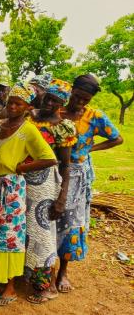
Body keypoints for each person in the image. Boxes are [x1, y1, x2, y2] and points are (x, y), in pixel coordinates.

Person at [0, 83, 57, 306]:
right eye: (11, 103)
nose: (13, 107)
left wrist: (21, 168)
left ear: (28, 106)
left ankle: (10, 287)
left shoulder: (28, 130)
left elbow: (49, 158)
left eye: (19, 103)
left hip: (12, 189)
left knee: (10, 237)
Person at [56, 74, 123, 293]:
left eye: (86, 99)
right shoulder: (56, 112)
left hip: (77, 176)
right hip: (51, 172)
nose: (80, 102)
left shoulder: (95, 116)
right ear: (71, 90)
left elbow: (117, 138)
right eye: (77, 96)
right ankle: (41, 268)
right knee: (48, 218)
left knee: (71, 221)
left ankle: (62, 271)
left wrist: (90, 149)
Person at [24, 79, 77, 304]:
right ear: (43, 95)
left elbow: (65, 165)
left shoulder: (62, 126)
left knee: (42, 235)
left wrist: (61, 198)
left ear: (61, 104)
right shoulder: (28, 116)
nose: (50, 103)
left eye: (56, 101)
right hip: (19, 180)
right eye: (48, 98)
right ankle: (22, 277)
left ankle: (48, 285)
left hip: (45, 186)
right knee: (20, 231)